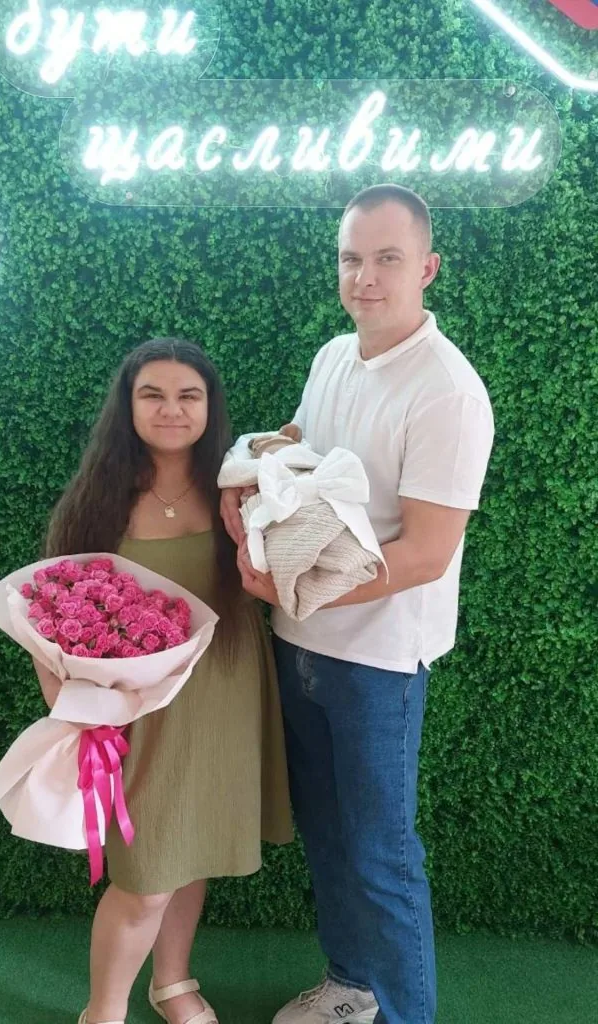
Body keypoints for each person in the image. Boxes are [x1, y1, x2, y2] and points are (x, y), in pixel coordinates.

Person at [222, 185, 495, 1024]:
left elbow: (426, 552)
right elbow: (299, 453)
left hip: (377, 659)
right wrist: (246, 477)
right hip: (297, 638)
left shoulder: (448, 392)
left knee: (381, 855)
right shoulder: (335, 356)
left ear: (428, 268)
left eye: (386, 259)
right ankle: (351, 988)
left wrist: (295, 584)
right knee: (328, 835)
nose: (365, 278)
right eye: (351, 259)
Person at [34, 338, 294, 1024]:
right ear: (127, 406)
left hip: (225, 692)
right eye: (152, 394)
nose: (171, 409)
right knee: (146, 873)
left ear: (210, 407)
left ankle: (172, 982)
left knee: (192, 845)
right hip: (136, 711)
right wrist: (67, 700)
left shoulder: (238, 493)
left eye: (188, 396)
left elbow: (282, 577)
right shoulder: (97, 502)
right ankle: (104, 1011)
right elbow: (47, 606)